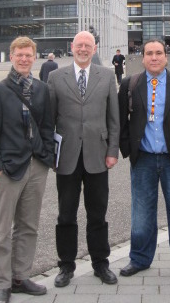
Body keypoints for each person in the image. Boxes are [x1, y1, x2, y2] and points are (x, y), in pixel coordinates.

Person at [0, 36, 55, 303]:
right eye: (19, 55)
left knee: (28, 226)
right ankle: (2, 284)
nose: (24, 59)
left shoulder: (41, 89)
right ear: (11, 57)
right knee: (1, 231)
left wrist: (47, 157)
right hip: (8, 169)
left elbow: (47, 126)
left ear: (35, 57)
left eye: (28, 55)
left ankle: (20, 276)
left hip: (36, 167)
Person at [118, 38, 170, 280]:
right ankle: (140, 259)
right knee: (141, 213)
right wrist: (128, 150)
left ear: (166, 56)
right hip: (143, 159)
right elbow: (122, 121)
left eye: (158, 53)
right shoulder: (129, 84)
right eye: (149, 53)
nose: (154, 57)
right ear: (142, 57)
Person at [48, 30, 120, 286]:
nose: (83, 49)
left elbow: (114, 119)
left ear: (94, 48)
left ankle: (101, 263)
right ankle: (66, 266)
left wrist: (112, 151)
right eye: (79, 45)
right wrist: (51, 155)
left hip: (98, 157)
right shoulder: (55, 77)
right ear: (72, 47)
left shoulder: (107, 76)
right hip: (66, 157)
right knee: (66, 215)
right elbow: (50, 120)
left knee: (97, 214)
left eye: (88, 45)